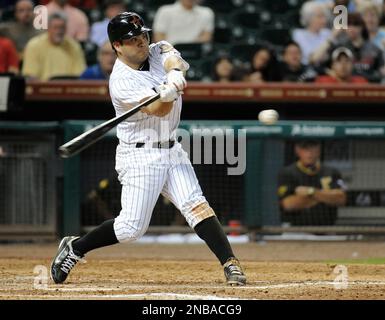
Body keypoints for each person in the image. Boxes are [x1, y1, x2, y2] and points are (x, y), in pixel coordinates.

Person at [50, 12, 246, 286]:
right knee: (131, 229)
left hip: (171, 149)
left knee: (196, 206)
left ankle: (230, 263)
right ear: (117, 46)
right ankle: (76, 247)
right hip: (140, 156)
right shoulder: (121, 82)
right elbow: (158, 109)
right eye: (133, 40)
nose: (141, 42)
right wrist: (167, 94)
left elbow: (169, 54)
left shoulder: (154, 50)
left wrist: (174, 74)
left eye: (143, 35)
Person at [277, 140, 347, 226]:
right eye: (305, 148)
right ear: (297, 150)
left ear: (319, 150)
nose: (309, 152)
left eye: (312, 147)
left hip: (327, 229)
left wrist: (311, 192)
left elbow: (341, 199)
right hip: (295, 230)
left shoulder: (332, 172)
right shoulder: (287, 173)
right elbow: (288, 205)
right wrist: (325, 196)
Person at [311, 12, 385, 82]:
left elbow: (382, 72)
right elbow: (314, 60)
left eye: (356, 24)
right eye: (348, 24)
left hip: (368, 87)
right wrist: (332, 36)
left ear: (362, 27)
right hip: (345, 86)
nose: (351, 28)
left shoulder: (374, 49)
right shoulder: (339, 47)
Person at [22, 12, 86, 80]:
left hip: (69, 88)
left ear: (66, 29)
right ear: (48, 28)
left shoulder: (74, 46)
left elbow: (80, 74)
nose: (59, 31)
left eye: (62, 27)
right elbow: (31, 76)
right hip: (43, 88)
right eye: (55, 27)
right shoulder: (33, 45)